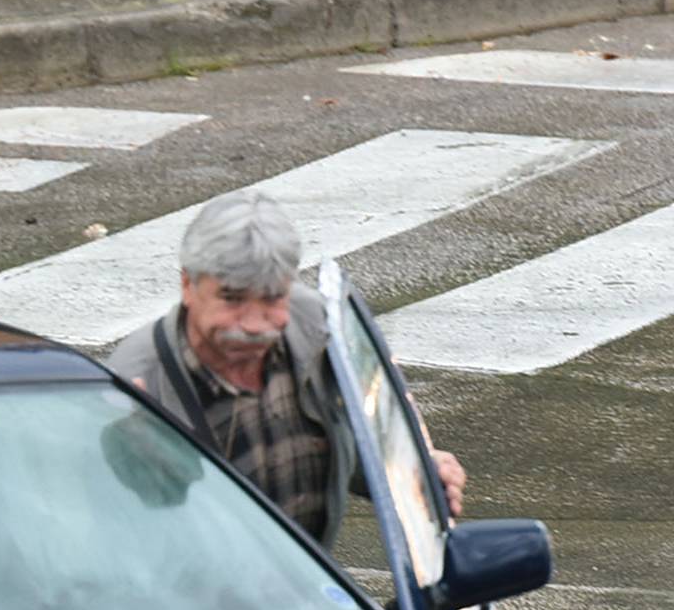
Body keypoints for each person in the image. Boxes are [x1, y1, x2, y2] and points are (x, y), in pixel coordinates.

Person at [104, 190, 465, 550]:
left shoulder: (317, 328)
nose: (254, 324)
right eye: (232, 298)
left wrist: (415, 471)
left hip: (303, 586)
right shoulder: (133, 384)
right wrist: (136, 458)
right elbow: (120, 536)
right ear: (188, 285)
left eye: (273, 297)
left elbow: (363, 443)